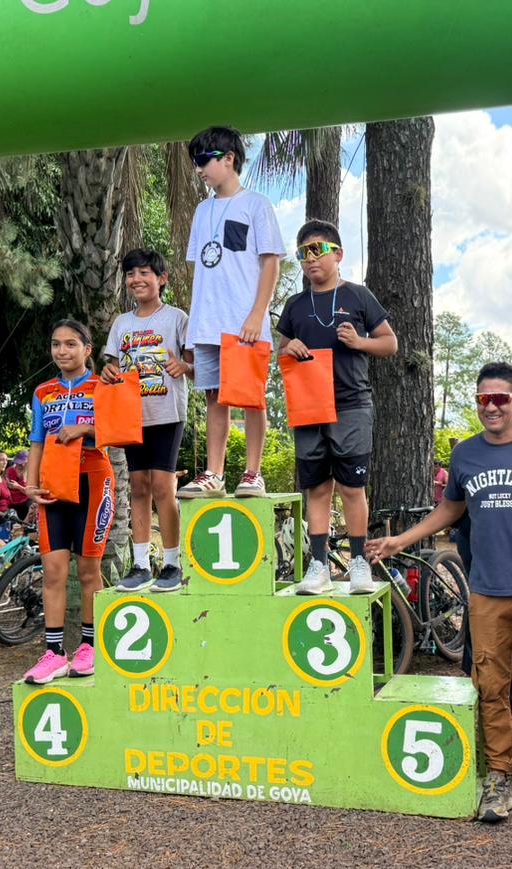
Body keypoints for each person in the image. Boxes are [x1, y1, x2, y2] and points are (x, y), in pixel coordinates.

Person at [369, 362, 512, 830]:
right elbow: (450, 507)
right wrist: (401, 540)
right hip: (486, 592)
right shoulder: (465, 454)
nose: (491, 407)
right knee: (490, 688)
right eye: (484, 399)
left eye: (500, 398)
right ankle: (498, 777)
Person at [278, 220, 397, 595]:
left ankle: (359, 563)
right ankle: (319, 565)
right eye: (303, 253)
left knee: (351, 486)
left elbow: (390, 343)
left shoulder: (359, 296)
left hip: (351, 403)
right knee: (316, 488)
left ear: (338, 254)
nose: (310, 259)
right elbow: (280, 350)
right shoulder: (295, 305)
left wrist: (360, 342)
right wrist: (289, 348)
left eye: (318, 250)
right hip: (308, 404)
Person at [177, 126, 285, 499]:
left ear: (229, 158)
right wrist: (193, 328)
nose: (199, 170)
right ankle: (214, 473)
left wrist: (257, 314)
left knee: (250, 396)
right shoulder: (202, 210)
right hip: (207, 322)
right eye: (195, 163)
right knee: (214, 396)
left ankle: (253, 473)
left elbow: (270, 263)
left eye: (203, 161)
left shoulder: (256, 204)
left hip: (244, 323)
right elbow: (203, 272)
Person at [22, 319, 115, 685]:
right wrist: (30, 485)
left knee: (89, 570)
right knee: (53, 572)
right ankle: (54, 653)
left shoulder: (101, 385)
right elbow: (37, 441)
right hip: (53, 484)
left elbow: (120, 430)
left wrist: (85, 428)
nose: (62, 351)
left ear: (87, 349)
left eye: (71, 344)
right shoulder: (43, 391)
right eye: (56, 344)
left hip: (93, 479)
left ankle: (90, 646)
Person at [102, 248, 192, 593]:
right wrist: (108, 372)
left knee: (163, 486)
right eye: (130, 274)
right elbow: (112, 366)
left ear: (161, 279)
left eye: (144, 273)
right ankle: (140, 564)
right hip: (131, 416)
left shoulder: (177, 318)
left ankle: (171, 563)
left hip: (167, 413)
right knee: (138, 486)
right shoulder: (121, 323)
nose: (136, 280)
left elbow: (195, 365)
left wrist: (183, 366)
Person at [7, 451, 31, 523]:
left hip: (25, 504)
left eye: (22, 463)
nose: (19, 465)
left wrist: (18, 487)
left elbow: (31, 493)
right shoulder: (10, 471)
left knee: (25, 524)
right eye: (17, 462)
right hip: (11, 504)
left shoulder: (31, 473)